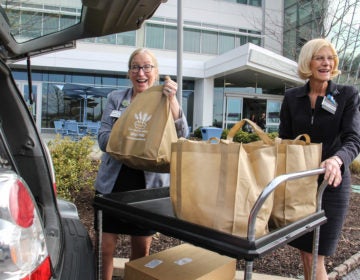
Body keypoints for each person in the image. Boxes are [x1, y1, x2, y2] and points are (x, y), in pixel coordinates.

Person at [94, 48, 189, 280]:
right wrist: (129, 129)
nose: (141, 72)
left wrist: (172, 100)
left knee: (141, 251)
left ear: (156, 73)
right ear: (129, 73)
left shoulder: (165, 99)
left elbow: (183, 136)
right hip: (113, 185)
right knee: (103, 248)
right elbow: (103, 139)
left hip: (148, 190)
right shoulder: (117, 98)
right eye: (135, 67)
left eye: (147, 67)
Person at [279, 38, 360, 280]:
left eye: (330, 58)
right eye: (320, 58)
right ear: (308, 62)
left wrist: (337, 159)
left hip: (331, 183)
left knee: (316, 254)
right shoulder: (292, 97)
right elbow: (285, 139)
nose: (327, 63)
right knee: (306, 253)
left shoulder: (347, 95)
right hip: (300, 182)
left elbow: (353, 140)